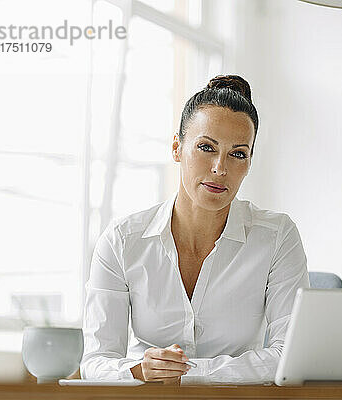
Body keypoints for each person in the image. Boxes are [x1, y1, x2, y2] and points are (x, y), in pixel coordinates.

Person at [80, 75, 310, 384]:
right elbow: (95, 361)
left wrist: (188, 372)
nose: (220, 168)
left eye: (238, 154)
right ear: (177, 148)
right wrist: (139, 369)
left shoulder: (277, 236)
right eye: (206, 147)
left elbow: (289, 356)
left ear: (249, 162)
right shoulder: (122, 240)